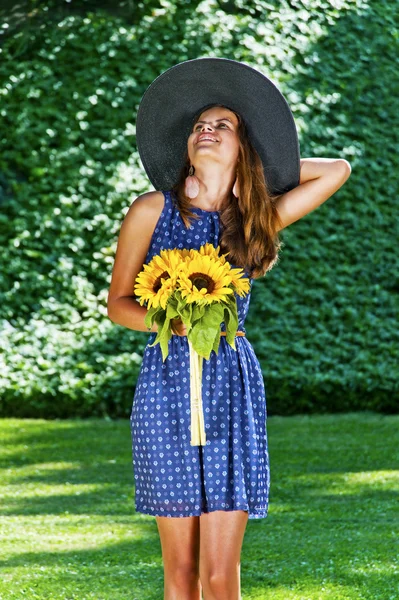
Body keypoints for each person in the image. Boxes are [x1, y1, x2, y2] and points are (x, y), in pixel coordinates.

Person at [107, 58, 351, 600]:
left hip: (230, 383)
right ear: (186, 146)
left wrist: (259, 172)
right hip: (166, 383)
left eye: (223, 125)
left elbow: (336, 170)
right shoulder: (151, 211)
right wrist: (175, 315)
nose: (207, 129)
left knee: (219, 576)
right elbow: (118, 305)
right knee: (181, 573)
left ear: (241, 149)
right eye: (199, 125)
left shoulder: (252, 219)